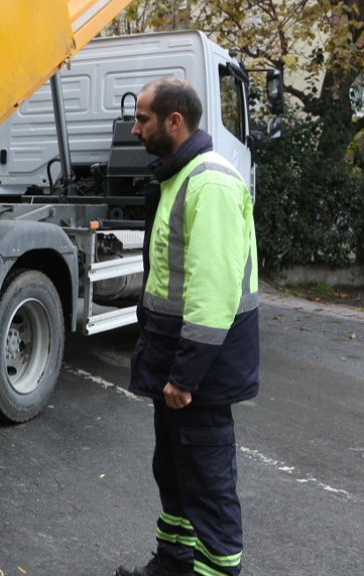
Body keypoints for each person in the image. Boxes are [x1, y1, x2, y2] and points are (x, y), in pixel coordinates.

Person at [115, 77, 259, 576]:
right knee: (175, 474)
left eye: (143, 119)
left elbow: (213, 290)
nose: (135, 129)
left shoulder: (210, 182)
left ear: (175, 121)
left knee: (207, 486)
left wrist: (186, 376)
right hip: (176, 364)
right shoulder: (180, 175)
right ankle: (174, 564)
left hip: (199, 375)